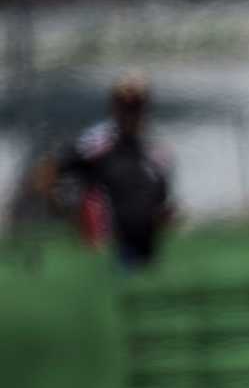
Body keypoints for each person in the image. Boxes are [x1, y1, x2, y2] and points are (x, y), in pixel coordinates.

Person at [37, 73, 175, 268]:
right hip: (105, 245)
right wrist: (63, 213)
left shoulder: (155, 151)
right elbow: (49, 170)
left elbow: (162, 203)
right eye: (125, 106)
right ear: (115, 107)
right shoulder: (98, 143)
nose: (131, 113)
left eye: (137, 106)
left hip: (146, 246)